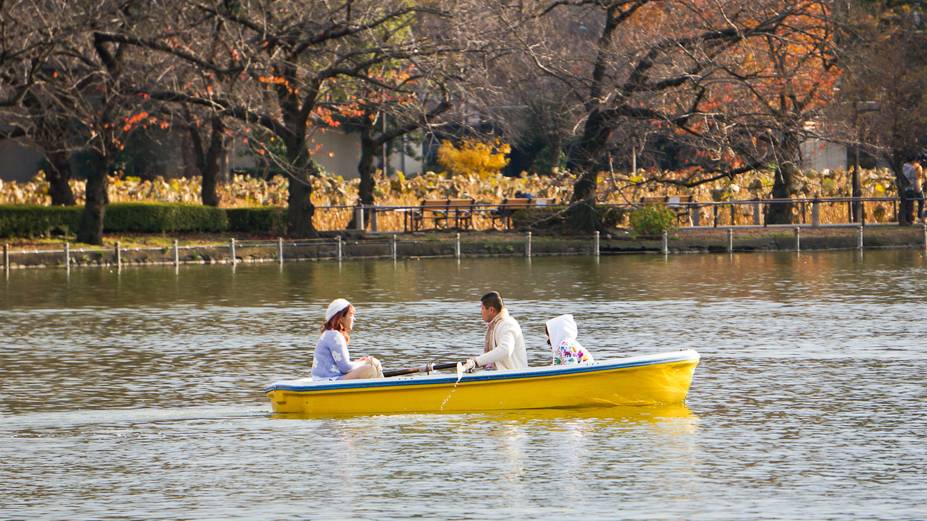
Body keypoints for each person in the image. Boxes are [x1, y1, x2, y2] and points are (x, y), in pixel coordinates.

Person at [311, 298, 383, 381]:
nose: (354, 319)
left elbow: (342, 365)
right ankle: (384, 390)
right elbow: (345, 368)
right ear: (341, 318)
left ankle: (383, 388)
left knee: (373, 362)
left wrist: (359, 362)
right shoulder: (334, 335)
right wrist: (364, 362)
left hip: (329, 378)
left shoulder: (330, 333)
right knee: (369, 368)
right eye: (351, 314)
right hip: (329, 380)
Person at [461, 291, 528, 372]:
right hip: (501, 374)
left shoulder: (507, 324)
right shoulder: (496, 325)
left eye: (482, 308)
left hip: (514, 377)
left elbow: (505, 350)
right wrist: (474, 363)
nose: (480, 312)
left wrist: (476, 361)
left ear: (491, 310)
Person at [902, 159, 924, 224]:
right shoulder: (916, 167)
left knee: (909, 204)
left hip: (909, 188)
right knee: (920, 202)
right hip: (916, 187)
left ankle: (909, 219)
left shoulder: (904, 166)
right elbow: (917, 178)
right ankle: (918, 217)